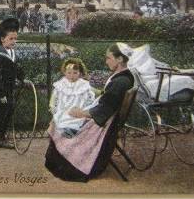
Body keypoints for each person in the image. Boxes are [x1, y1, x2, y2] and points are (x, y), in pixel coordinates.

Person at [44, 43, 134, 182]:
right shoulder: (124, 77)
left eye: (109, 58)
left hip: (105, 124)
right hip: (109, 118)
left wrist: (81, 113)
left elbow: (104, 108)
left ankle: (63, 164)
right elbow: (107, 98)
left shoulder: (120, 81)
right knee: (65, 117)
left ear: (120, 59)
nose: (106, 61)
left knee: (63, 120)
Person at [0, 17, 25, 149]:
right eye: (11, 39)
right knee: (2, 114)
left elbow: (17, 68)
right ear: (2, 39)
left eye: (15, 39)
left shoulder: (12, 53)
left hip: (10, 89)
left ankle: (2, 136)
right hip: (1, 91)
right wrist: (1, 93)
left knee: (8, 112)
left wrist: (22, 78)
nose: (14, 41)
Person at [49, 58, 97, 137]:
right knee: (62, 117)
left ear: (80, 73)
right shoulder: (61, 84)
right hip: (63, 108)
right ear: (64, 72)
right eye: (69, 73)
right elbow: (54, 96)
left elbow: (91, 93)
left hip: (78, 108)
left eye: (75, 73)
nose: (72, 76)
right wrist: (52, 105)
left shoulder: (83, 84)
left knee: (77, 118)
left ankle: (73, 130)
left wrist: (100, 92)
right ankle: (65, 130)